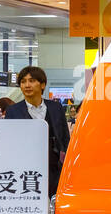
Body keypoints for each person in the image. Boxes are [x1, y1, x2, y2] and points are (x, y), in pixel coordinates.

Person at [5, 65, 71, 198]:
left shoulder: (55, 107)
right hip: (24, 167)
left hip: (53, 167)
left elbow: (64, 137)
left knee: (52, 200)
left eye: (32, 80)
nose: (27, 85)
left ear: (42, 85)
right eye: (23, 82)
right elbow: (8, 141)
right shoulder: (13, 111)